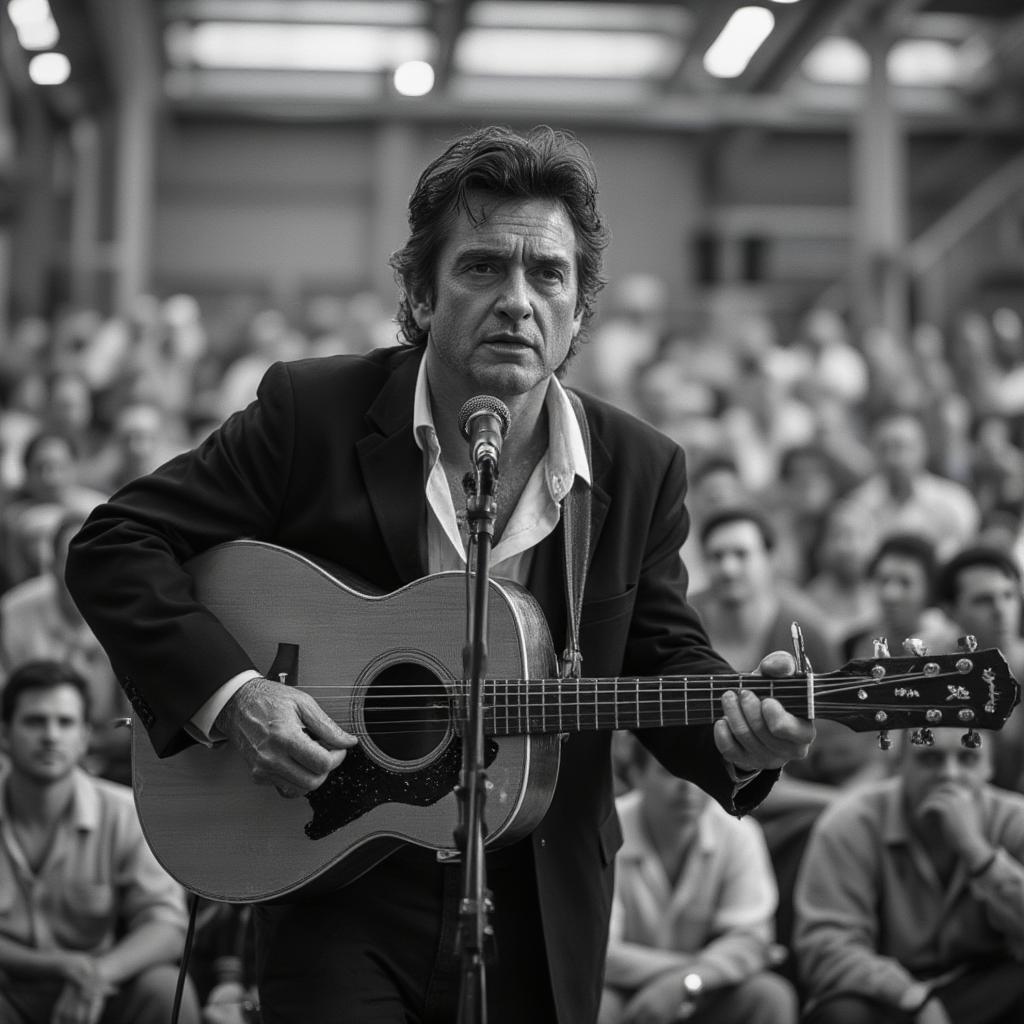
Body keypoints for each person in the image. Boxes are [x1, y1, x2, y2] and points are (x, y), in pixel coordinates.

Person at [64, 125, 813, 1024]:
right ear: (421, 293)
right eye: (482, 268)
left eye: (549, 276)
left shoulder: (638, 466)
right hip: (333, 865)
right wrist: (235, 697)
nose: (518, 302)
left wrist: (739, 735)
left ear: (581, 308)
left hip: (538, 890)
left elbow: (662, 658)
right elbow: (114, 544)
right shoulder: (313, 413)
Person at [0, 659, 199, 1023]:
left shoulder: (123, 812)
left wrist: (97, 975)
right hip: (8, 990)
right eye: (34, 721)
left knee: (167, 989)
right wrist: (59, 966)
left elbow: (167, 927)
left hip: (102, 989)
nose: (50, 735)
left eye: (65, 722)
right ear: (4, 734)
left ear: (84, 738)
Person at [792, 728, 1024, 1024]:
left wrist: (978, 854)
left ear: (989, 765)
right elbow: (826, 947)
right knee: (843, 1014)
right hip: (888, 999)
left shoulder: (1014, 819)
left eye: (968, 758)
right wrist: (913, 998)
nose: (949, 775)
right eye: (930, 758)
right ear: (899, 763)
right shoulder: (851, 822)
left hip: (983, 990)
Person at [600, 738, 797, 1024]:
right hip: (624, 989)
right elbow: (600, 955)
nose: (688, 788)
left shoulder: (739, 833)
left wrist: (686, 983)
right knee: (594, 1004)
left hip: (705, 989)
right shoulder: (606, 829)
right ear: (636, 776)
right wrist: (691, 972)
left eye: (699, 775)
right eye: (670, 772)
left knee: (770, 996)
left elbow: (748, 939)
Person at [689, 505, 839, 675]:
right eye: (716, 556)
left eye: (741, 554)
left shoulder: (808, 634)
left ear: (771, 558)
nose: (728, 568)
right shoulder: (683, 625)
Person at [934, 544, 1024, 794]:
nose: (1000, 610)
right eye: (983, 600)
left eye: (1009, 596)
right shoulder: (934, 671)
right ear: (950, 612)